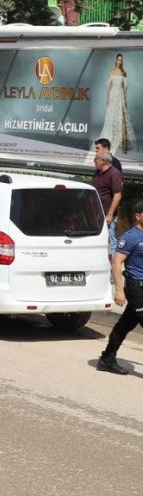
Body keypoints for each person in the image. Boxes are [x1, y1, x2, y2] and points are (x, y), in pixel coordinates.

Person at [99, 200, 143, 375]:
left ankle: (107, 358)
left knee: (126, 323)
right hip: (135, 286)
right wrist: (119, 290)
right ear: (138, 215)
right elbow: (117, 263)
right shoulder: (130, 237)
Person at [98, 53, 134, 155]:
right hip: (113, 97)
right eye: (118, 60)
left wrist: (125, 100)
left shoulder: (124, 72)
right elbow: (109, 87)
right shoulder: (112, 71)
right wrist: (108, 99)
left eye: (121, 60)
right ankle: (111, 139)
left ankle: (123, 143)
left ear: (122, 61)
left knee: (121, 119)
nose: (120, 61)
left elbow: (125, 88)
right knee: (112, 118)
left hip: (120, 97)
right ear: (116, 60)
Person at [92, 150, 124, 254]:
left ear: (103, 161)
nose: (94, 161)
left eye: (96, 159)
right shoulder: (98, 172)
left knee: (110, 241)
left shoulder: (114, 173)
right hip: (96, 213)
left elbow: (118, 195)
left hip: (107, 215)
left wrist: (110, 214)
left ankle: (114, 266)